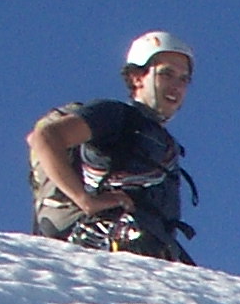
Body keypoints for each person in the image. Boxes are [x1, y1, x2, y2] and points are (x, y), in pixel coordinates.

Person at [28, 33, 197, 260]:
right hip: (105, 245)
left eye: (184, 79)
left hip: (152, 252)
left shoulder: (163, 141)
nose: (176, 86)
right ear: (137, 77)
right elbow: (45, 137)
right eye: (167, 74)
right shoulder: (115, 115)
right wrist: (84, 200)